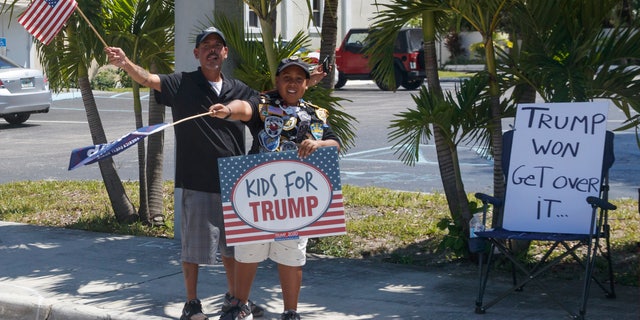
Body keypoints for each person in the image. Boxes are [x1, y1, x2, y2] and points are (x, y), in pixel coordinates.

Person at [105, 27, 266, 320]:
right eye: (206, 45)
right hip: (195, 178)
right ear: (197, 53)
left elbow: (263, 106)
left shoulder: (239, 89)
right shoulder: (182, 83)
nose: (212, 50)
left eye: (218, 45)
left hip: (234, 181)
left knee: (234, 250)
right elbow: (148, 79)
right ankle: (192, 303)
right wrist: (126, 64)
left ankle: (235, 300)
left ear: (225, 53)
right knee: (193, 249)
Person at [209, 56, 341, 320]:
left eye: (298, 79)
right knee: (249, 251)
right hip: (259, 194)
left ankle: (290, 311)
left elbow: (335, 144)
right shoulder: (264, 105)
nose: (292, 84)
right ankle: (239, 304)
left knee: (291, 255)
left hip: (295, 198)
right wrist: (227, 110)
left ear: (306, 85)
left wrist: (319, 145)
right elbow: (243, 108)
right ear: (278, 81)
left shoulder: (316, 113)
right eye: (287, 78)